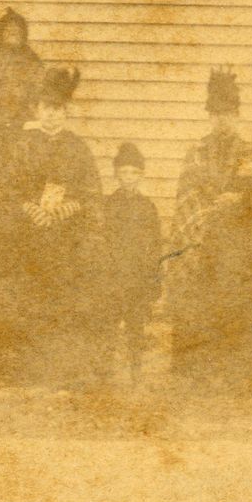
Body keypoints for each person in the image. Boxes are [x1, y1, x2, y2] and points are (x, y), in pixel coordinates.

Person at [166, 68, 252, 376]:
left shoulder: (249, 154)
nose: (222, 121)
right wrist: (207, 213)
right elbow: (186, 196)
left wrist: (239, 200)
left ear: (237, 116)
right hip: (201, 239)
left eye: (228, 114)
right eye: (216, 115)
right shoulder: (197, 152)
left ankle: (230, 371)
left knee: (232, 300)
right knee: (194, 298)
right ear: (210, 117)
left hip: (235, 243)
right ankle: (191, 371)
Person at [6, 66, 105, 384]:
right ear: (37, 110)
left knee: (66, 294)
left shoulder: (78, 147)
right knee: (28, 293)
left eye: (58, 109)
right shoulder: (23, 144)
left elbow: (91, 192)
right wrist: (30, 209)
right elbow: (10, 188)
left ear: (66, 112)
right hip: (29, 232)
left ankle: (63, 367)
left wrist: (66, 210)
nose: (52, 115)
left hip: (66, 234)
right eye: (46, 108)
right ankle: (28, 366)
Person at [96, 141, 165, 385]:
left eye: (134, 172)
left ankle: (136, 373)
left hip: (137, 276)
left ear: (141, 175)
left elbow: (155, 246)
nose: (129, 177)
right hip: (113, 276)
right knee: (108, 324)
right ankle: (104, 374)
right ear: (116, 175)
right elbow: (101, 241)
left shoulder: (148, 207)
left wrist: (154, 279)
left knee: (136, 326)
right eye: (124, 172)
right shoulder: (108, 204)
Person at [0, 7, 44, 131]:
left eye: (17, 30)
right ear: (1, 34)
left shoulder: (32, 60)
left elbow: (39, 91)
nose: (13, 33)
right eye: (8, 30)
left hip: (24, 119)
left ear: (23, 34)